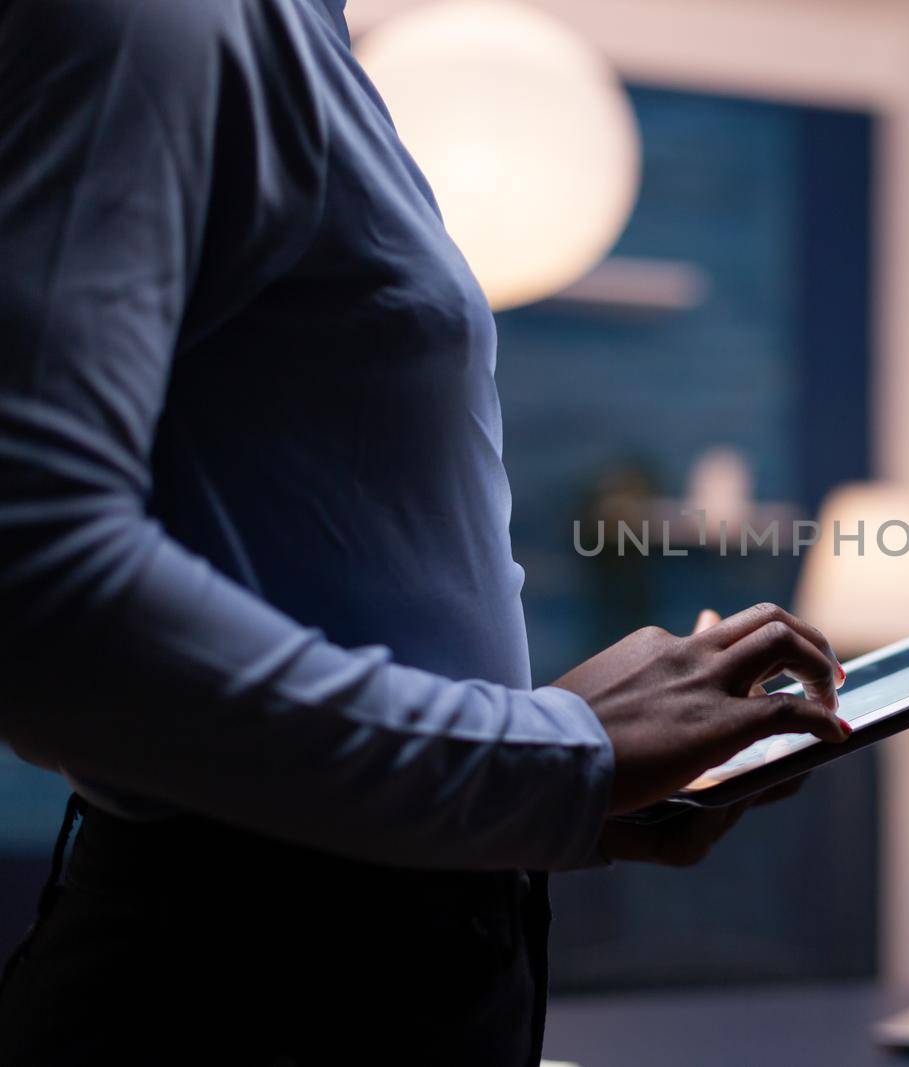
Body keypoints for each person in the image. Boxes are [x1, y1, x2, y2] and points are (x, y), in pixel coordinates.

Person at [0, 0, 848, 1061]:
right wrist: (543, 762)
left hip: (363, 943)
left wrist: (536, 786)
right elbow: (37, 601)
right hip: (255, 982)